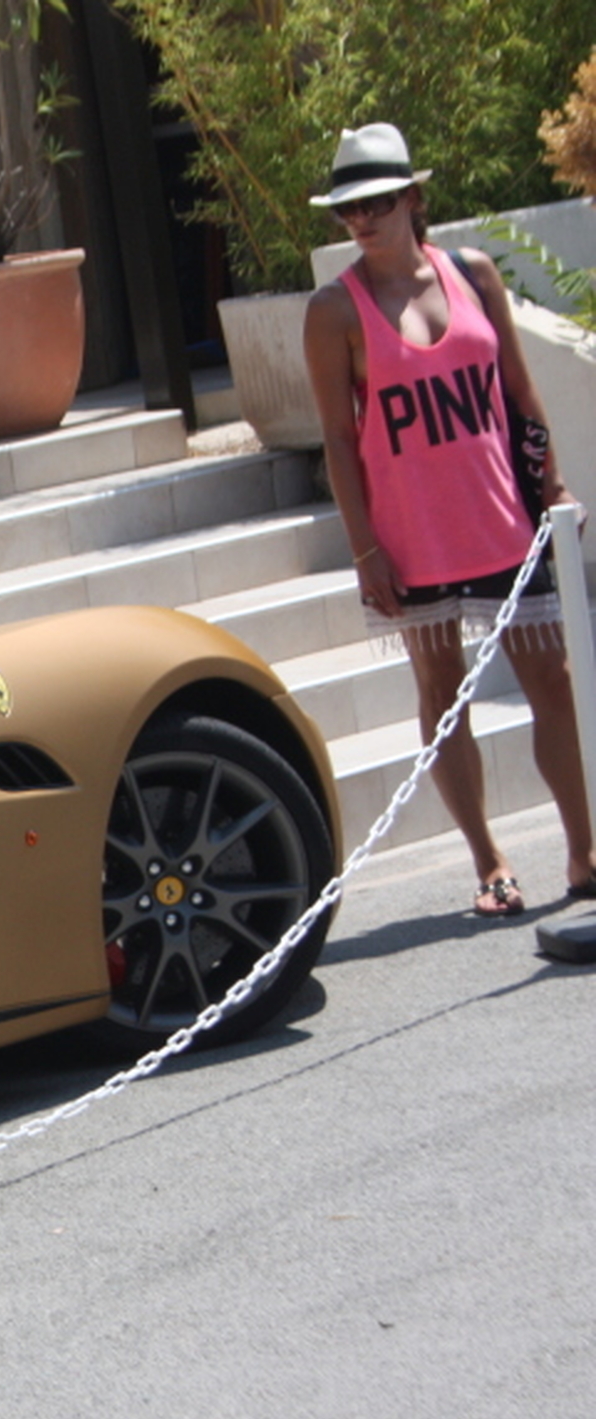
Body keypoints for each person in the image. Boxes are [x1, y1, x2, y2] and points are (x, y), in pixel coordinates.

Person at [302, 122, 596, 916]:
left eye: (380, 201)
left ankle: (584, 850)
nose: (364, 218)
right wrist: (365, 548)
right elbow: (336, 436)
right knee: (440, 691)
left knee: (553, 681)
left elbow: (520, 393)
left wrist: (555, 484)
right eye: (349, 208)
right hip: (411, 536)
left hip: (504, 514)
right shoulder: (334, 311)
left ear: (413, 198)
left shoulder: (472, 274)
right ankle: (489, 859)